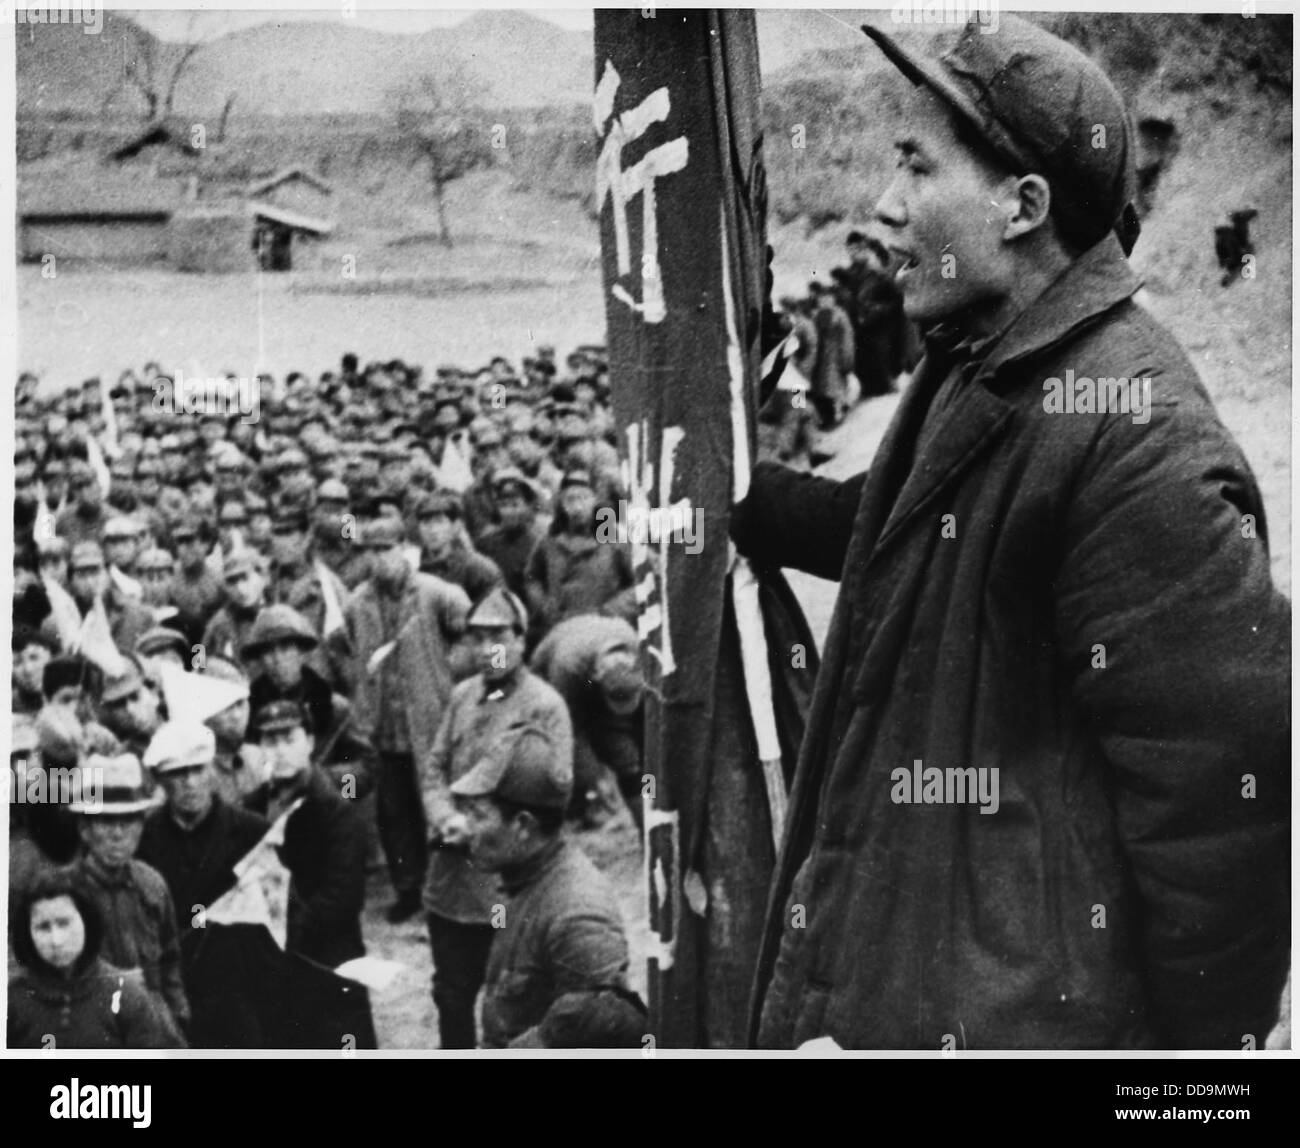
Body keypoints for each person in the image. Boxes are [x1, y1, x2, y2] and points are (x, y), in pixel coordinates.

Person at [733, 15, 1290, 1050]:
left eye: (915, 166)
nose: (885, 205)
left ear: (1022, 205)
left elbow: (1219, 796)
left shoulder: (1134, 432)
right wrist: (756, 501)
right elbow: (925, 532)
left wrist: (1198, 1077)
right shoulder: (987, 353)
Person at [420, 587, 574, 1048]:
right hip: (451, 881)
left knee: (512, 1005)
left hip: (508, 887)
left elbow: (556, 795)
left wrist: (491, 828)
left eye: (499, 637)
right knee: (450, 996)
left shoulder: (545, 706)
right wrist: (445, 816)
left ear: (523, 640)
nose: (489, 650)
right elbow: (433, 769)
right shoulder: (463, 696)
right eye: (479, 638)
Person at [445, 726, 639, 1048]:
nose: (466, 828)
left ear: (523, 825)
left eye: (478, 815)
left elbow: (604, 1035)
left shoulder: (577, 916)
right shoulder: (523, 876)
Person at [346, 517, 472, 924]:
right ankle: (408, 888)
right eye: (371, 551)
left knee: (436, 806)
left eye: (386, 549)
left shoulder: (436, 594)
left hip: (431, 723)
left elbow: (471, 633)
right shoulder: (357, 604)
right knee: (394, 813)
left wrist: (445, 675)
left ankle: (449, 889)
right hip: (383, 729)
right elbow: (345, 648)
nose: (379, 559)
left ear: (404, 547)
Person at [138, 721, 276, 1047]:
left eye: (198, 769)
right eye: (178, 773)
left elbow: (277, 920)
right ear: (160, 780)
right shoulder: (145, 839)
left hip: (242, 992)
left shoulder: (252, 832)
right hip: (176, 993)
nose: (190, 783)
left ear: (212, 770)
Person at [254, 701, 377, 1049]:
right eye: (270, 741)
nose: (280, 750)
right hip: (275, 971)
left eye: (289, 738)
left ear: (309, 741)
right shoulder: (252, 807)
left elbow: (342, 896)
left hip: (329, 964)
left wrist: (287, 933)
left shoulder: (336, 811)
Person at [66, 752, 190, 1034]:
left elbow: (170, 959)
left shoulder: (152, 884)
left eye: (128, 821)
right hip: (91, 1027)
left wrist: (177, 1015)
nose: (118, 834)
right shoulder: (65, 892)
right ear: (85, 829)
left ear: (141, 826)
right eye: (106, 822)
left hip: (152, 1024)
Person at [8, 871, 186, 1049]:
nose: (56, 940)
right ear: (27, 933)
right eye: (43, 927)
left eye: (64, 923)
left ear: (86, 921)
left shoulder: (127, 997)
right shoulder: (11, 1002)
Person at [530, 613, 646, 830]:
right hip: (553, 672)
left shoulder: (637, 646)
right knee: (563, 752)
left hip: (593, 663)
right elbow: (570, 730)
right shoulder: (566, 666)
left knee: (631, 762)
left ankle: (648, 817)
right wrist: (595, 778)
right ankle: (578, 808)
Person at [414, 489, 504, 605]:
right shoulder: (414, 566)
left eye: (439, 522)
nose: (432, 530)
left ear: (455, 526)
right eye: (426, 523)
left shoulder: (477, 568)